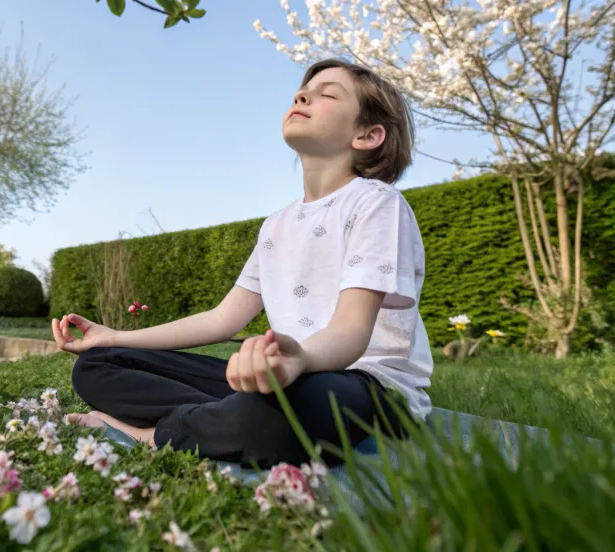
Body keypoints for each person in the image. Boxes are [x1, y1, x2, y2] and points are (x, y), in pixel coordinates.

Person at [52, 58, 433, 468]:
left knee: (284, 410)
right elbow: (222, 319)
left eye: (327, 94)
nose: (301, 95)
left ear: (368, 134)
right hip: (280, 380)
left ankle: (149, 432)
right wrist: (113, 338)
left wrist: (300, 358)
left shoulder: (377, 202)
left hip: (367, 388)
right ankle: (224, 421)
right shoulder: (276, 225)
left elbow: (353, 330)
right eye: (302, 91)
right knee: (97, 367)